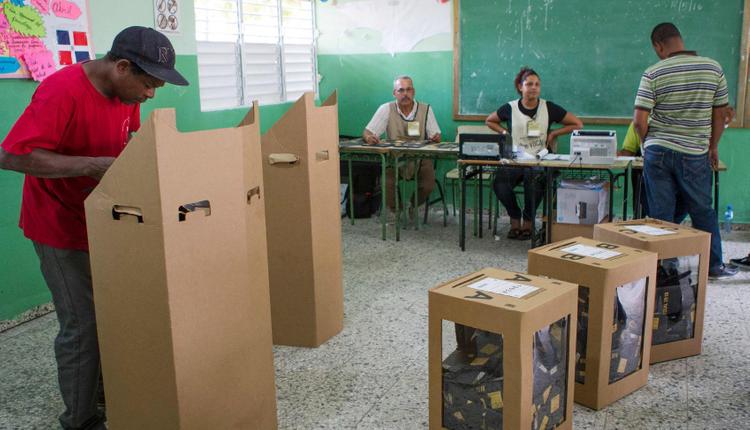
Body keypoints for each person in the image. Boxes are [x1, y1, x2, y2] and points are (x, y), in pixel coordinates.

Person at [0, 26, 188, 429]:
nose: (151, 95)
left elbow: (128, 139)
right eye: (149, 84)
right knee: (83, 324)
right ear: (122, 67)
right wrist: (91, 164)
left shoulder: (126, 93)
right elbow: (12, 156)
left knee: (114, 313)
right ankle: (80, 419)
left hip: (107, 220)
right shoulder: (61, 91)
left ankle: (106, 391)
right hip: (59, 227)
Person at [634, 22, 737, 279]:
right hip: (694, 151)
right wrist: (713, 146)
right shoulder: (713, 68)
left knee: (660, 214)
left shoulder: (653, 73)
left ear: (658, 46)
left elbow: (639, 121)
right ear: (680, 39)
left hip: (658, 150)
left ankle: (664, 268)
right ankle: (713, 266)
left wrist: (648, 145)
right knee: (702, 209)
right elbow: (720, 115)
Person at [485, 67, 582, 240]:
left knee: (535, 179)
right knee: (500, 183)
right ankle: (515, 218)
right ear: (520, 87)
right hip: (516, 159)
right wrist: (505, 133)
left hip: (540, 159)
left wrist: (554, 133)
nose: (534, 88)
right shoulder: (510, 108)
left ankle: (529, 222)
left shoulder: (548, 107)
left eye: (537, 84)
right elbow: (490, 121)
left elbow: (577, 124)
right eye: (529, 84)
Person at [363, 75, 441, 214]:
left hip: (420, 158)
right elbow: (367, 132)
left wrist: (435, 138)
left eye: (408, 90)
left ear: (413, 92)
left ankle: (413, 206)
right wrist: (369, 138)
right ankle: (397, 211)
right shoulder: (386, 109)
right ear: (394, 93)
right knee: (386, 183)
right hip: (395, 158)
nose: (405, 94)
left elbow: (437, 136)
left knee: (428, 185)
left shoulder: (426, 109)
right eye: (401, 90)